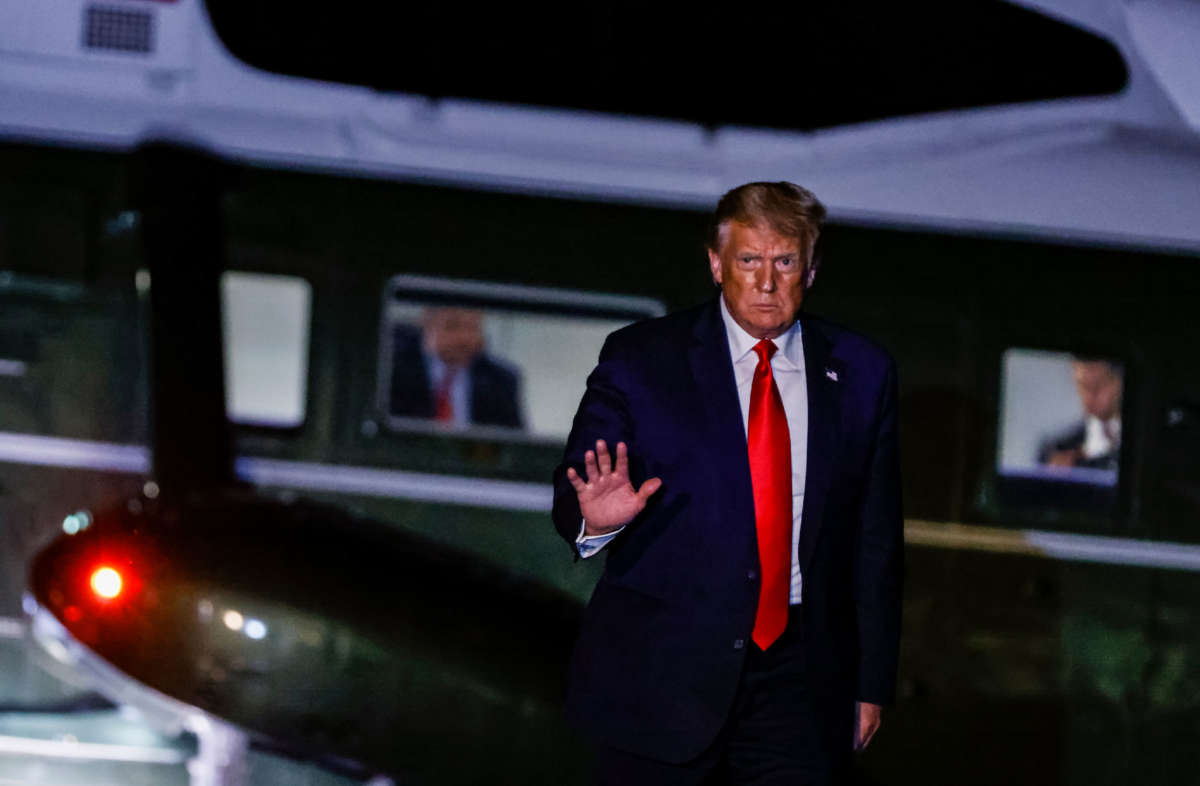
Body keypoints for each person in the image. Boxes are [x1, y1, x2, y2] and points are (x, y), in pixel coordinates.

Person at [552, 182, 903, 784]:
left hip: (800, 681)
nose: (766, 282)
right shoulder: (642, 359)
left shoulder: (862, 371)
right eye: (748, 260)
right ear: (717, 265)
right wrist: (595, 521)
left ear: (811, 270)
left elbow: (876, 541)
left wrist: (870, 683)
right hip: (661, 675)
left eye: (784, 261)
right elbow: (575, 491)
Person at [388, 307, 524, 429]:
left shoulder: (501, 381)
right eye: (452, 326)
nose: (464, 338)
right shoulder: (391, 368)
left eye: (473, 327)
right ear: (427, 323)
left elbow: (515, 448)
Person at [1038, 358, 1122, 472]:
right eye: (1082, 386)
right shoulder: (1056, 450)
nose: (1088, 399)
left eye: (1096, 387)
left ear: (1119, 381)